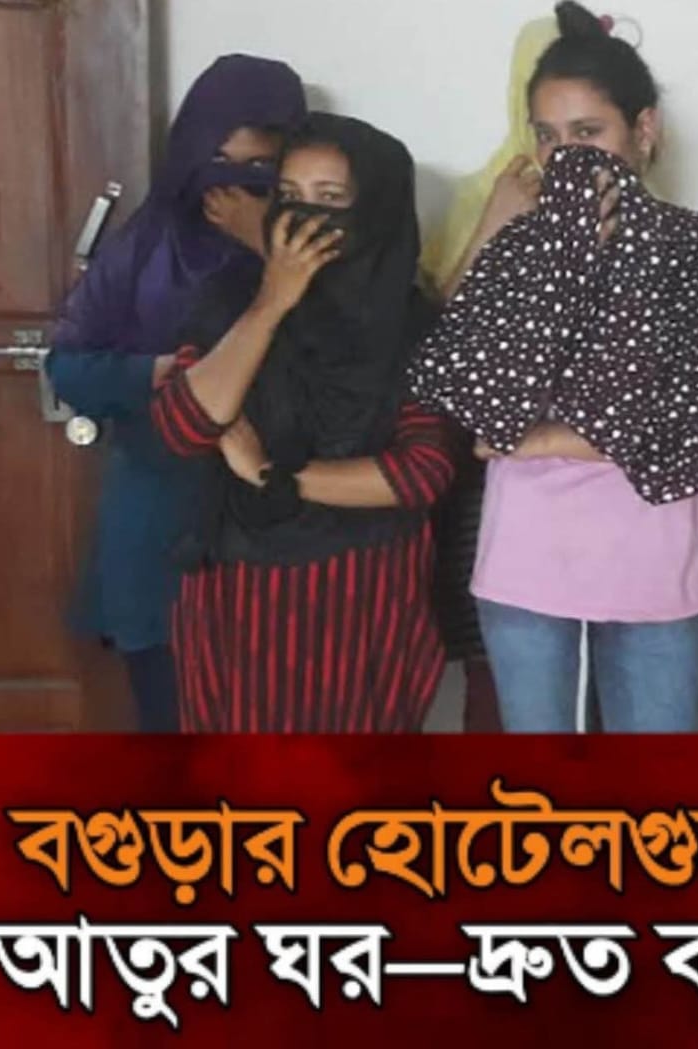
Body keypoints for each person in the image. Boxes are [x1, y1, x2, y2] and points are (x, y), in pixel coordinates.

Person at [409, 1, 698, 733]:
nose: (565, 156)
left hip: (656, 566)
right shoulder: (517, 249)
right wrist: (539, 251)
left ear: (644, 130)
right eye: (547, 136)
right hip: (526, 562)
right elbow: (463, 392)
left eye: (588, 132)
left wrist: (537, 436)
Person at [151, 114, 456, 732]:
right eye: (289, 196)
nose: (304, 218)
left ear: (373, 214)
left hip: (364, 599)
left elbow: (422, 471)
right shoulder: (229, 301)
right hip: (237, 597)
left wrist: (273, 475)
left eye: (330, 199)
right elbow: (184, 426)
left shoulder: (413, 326)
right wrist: (272, 303)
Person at [46, 55, 305, 732]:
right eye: (219, 161)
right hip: (158, 519)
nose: (235, 186)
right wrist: (155, 372)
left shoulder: (313, 244)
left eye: (260, 168)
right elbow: (67, 366)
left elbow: (340, 359)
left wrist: (265, 247)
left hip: (270, 524)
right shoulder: (145, 244)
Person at [419, 13, 561, 733]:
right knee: (500, 687)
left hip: (608, 504)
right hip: (486, 482)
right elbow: (430, 343)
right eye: (546, 123)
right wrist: (496, 226)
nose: (563, 144)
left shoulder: (646, 211)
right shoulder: (485, 195)